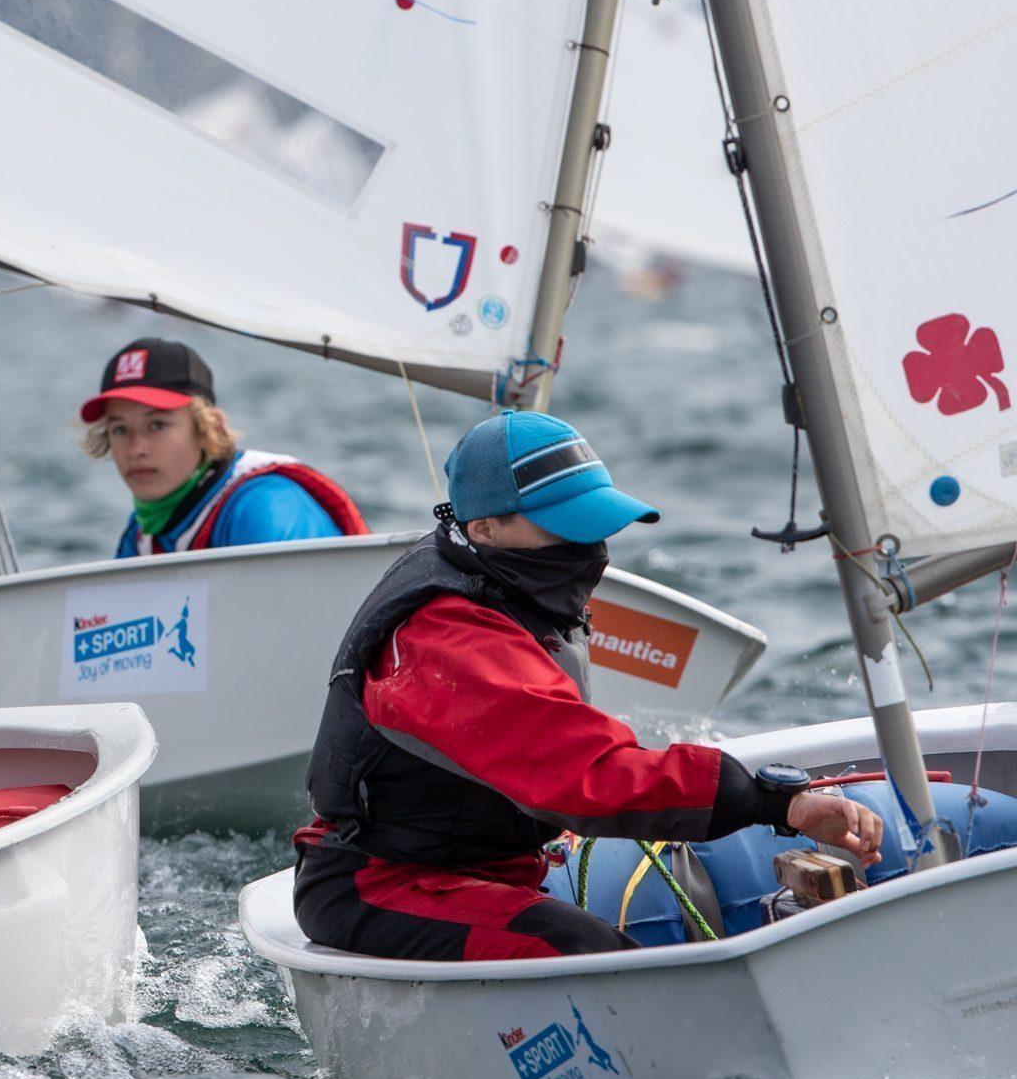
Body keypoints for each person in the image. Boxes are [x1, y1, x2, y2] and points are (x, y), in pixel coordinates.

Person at [292, 409, 883, 960]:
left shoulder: (499, 578)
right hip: (385, 882)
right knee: (585, 952)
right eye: (564, 527)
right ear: (485, 527)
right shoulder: (445, 636)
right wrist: (778, 802)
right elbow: (587, 775)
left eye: (594, 524)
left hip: (490, 866)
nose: (588, 549)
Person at [80, 337, 368, 556]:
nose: (136, 448)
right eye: (120, 429)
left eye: (157, 425)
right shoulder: (145, 530)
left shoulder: (263, 507)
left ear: (209, 428)